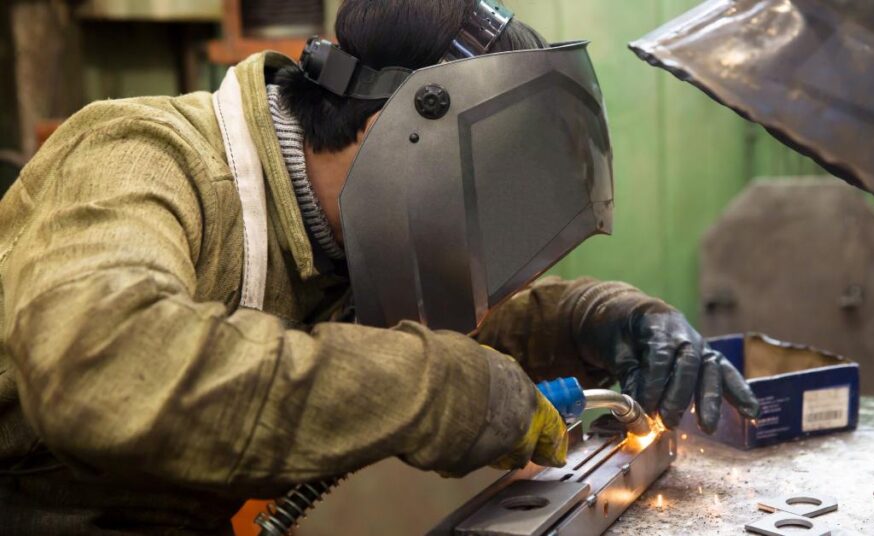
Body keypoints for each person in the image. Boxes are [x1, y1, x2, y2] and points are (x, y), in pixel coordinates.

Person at [0, 0, 759, 533]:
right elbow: (102, 366)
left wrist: (610, 318)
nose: (495, 283)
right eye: (486, 223)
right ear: (402, 138)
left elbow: (455, 331)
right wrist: (438, 391)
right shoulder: (142, 156)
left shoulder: (344, 245)